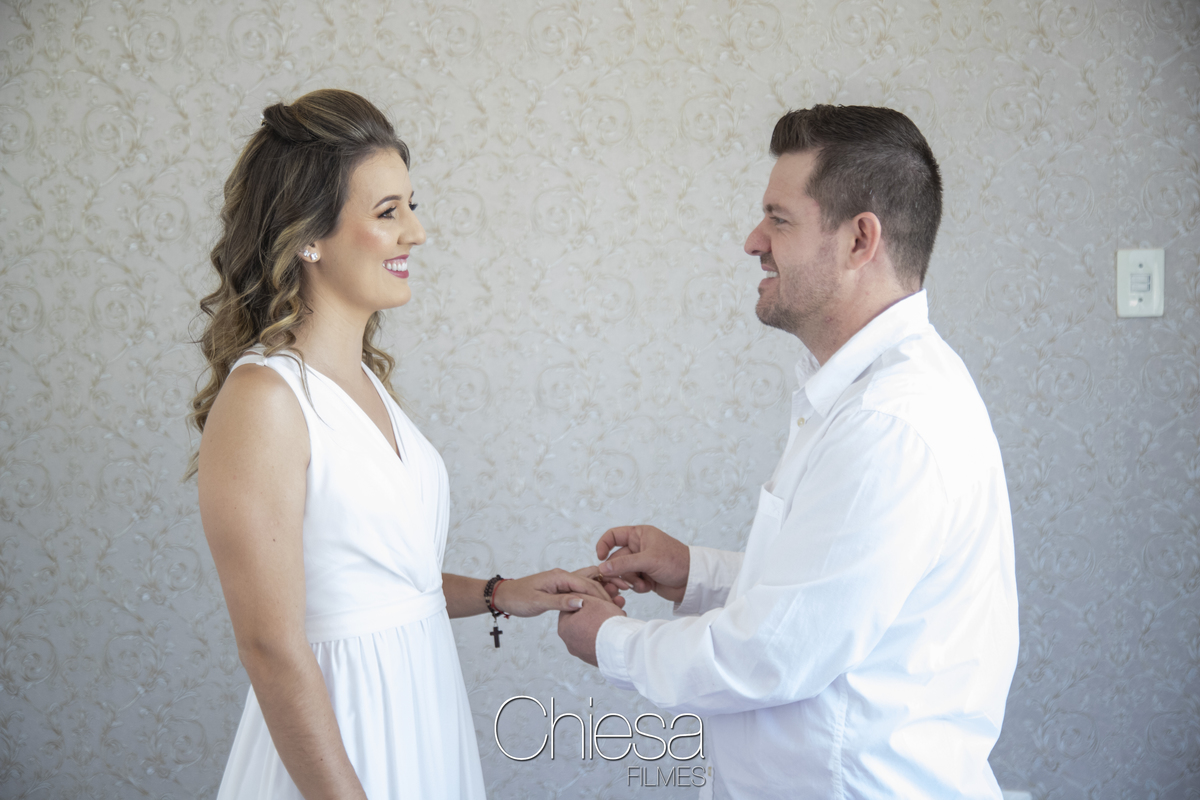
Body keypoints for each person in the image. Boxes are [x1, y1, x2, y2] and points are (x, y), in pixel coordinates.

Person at [558, 105, 1019, 798]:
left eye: (779, 219)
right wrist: (694, 573)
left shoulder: (889, 422)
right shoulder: (860, 395)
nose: (754, 241)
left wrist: (611, 643)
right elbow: (826, 587)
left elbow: (775, 652)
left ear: (860, 239)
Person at [188, 89, 615, 800]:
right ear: (310, 236)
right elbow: (269, 644)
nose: (416, 232)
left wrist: (500, 594)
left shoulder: (365, 383)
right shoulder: (266, 398)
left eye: (410, 206)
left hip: (423, 713)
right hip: (343, 741)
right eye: (388, 212)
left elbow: (375, 588)